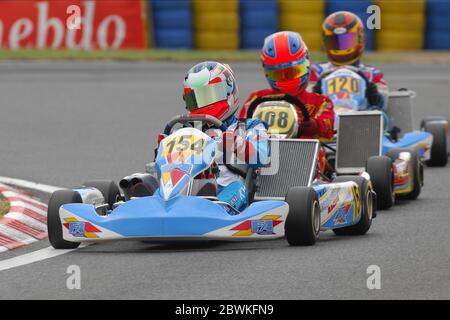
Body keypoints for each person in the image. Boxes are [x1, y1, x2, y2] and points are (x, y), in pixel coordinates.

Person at [181, 61, 269, 211]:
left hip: (230, 188)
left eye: (209, 95)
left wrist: (238, 144)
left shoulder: (249, 127)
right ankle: (152, 203)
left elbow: (262, 156)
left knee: (235, 188)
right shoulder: (188, 131)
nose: (204, 104)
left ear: (229, 92)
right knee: (161, 187)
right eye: (197, 99)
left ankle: (214, 208)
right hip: (189, 187)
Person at [239, 31, 335, 142]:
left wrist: (315, 125)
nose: (285, 79)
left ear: (306, 64)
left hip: (307, 154)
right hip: (264, 155)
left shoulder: (320, 102)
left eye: (291, 72)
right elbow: (240, 128)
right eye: (278, 74)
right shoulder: (256, 99)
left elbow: (329, 127)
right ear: (267, 72)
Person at [309, 11, 388, 110]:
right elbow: (306, 104)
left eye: (346, 41)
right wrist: (317, 89)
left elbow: (384, 105)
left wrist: (370, 88)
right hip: (326, 121)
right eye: (334, 42)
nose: (341, 48)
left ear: (360, 39)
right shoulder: (316, 72)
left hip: (363, 120)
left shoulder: (372, 74)